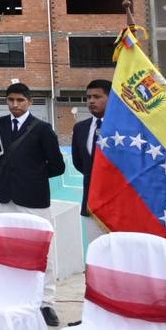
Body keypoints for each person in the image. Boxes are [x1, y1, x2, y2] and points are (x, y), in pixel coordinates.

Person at [0, 82, 66, 326]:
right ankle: (15, 294)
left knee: (43, 251)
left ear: (29, 102)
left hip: (34, 200)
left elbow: (57, 166)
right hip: (7, 197)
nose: (14, 105)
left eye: (20, 100)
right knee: (10, 248)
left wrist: (31, 177)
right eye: (10, 100)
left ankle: (45, 302)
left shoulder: (42, 129)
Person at [71, 79, 111, 240]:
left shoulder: (124, 128)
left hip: (120, 204)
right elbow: (79, 163)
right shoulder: (80, 128)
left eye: (97, 96)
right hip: (91, 203)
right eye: (88, 97)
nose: (91, 101)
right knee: (96, 252)